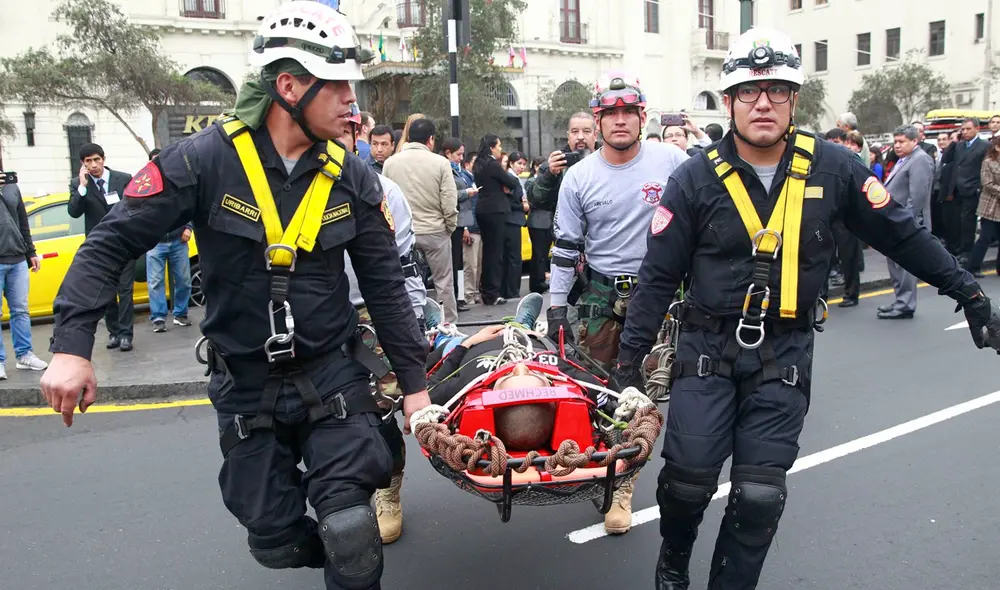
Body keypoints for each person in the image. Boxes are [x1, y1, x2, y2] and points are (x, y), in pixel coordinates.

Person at [39, 4, 432, 590]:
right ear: (289, 85)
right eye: (338, 85)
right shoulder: (201, 160)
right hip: (245, 384)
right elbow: (107, 245)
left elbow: (386, 286)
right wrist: (72, 347)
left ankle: (350, 552)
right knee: (273, 541)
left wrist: (416, 390)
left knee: (351, 527)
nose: (353, 101)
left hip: (333, 376)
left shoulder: (353, 178)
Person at [611, 27, 1000, 590]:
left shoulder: (835, 169)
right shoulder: (693, 177)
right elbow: (657, 277)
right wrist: (628, 365)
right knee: (688, 483)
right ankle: (673, 560)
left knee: (760, 497)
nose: (763, 102)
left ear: (795, 98)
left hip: (785, 352)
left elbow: (903, 235)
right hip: (705, 351)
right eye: (748, 91)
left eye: (776, 89)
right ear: (729, 101)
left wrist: (969, 292)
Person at [545, 70, 689, 536]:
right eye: (612, 114)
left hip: (659, 290)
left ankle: (623, 485)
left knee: (644, 393)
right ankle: (600, 464)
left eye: (630, 112)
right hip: (601, 293)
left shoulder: (674, 160)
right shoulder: (578, 177)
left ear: (643, 117)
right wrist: (555, 306)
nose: (621, 121)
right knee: (597, 391)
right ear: (598, 120)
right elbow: (565, 248)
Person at [337, 108, 427, 546]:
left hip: (373, 318)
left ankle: (388, 492)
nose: (339, 137)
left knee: (384, 413)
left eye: (348, 130)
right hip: (311, 323)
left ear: (359, 135)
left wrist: (412, 333)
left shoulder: (383, 191)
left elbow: (404, 272)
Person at [382, 117, 460, 322]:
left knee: (405, 282)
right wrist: (449, 228)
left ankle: (409, 323)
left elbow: (386, 200)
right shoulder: (441, 163)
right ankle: (448, 325)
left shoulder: (390, 163)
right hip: (435, 231)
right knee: (443, 282)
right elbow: (449, 201)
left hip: (403, 233)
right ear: (431, 139)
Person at [68, 143, 136, 351]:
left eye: (96, 159)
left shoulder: (123, 178)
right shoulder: (79, 184)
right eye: (88, 161)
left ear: (103, 159)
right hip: (99, 247)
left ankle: (126, 334)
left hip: (124, 242)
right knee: (106, 292)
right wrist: (82, 185)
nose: (93, 165)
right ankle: (114, 332)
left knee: (125, 290)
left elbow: (135, 205)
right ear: (83, 164)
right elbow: (74, 212)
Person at [529, 112, 599, 295]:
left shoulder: (609, 160)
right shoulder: (555, 164)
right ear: (568, 135)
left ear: (596, 134)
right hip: (568, 251)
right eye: (575, 131)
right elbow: (535, 199)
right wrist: (550, 175)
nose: (580, 137)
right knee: (568, 308)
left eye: (586, 131)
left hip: (602, 248)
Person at [879, 124, 935, 320]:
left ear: (915, 141)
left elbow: (917, 197)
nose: (897, 145)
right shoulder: (905, 159)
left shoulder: (920, 160)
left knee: (905, 266)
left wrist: (905, 223)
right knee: (895, 264)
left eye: (902, 142)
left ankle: (905, 304)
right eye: (895, 142)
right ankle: (900, 300)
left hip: (907, 223)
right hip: (894, 222)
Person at [0, 175, 47, 377]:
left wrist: (31, 252)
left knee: (20, 310)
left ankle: (25, 355)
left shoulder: (11, 185)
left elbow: (22, 221)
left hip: (18, 259)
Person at [144, 148, 194, 333]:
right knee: (155, 282)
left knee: (184, 280)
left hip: (178, 241)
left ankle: (180, 314)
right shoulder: (146, 186)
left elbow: (190, 205)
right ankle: (158, 317)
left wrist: (188, 227)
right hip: (155, 242)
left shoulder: (177, 182)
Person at [472, 134, 522, 306]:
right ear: (492, 147)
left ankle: (486, 290)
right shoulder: (492, 164)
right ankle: (492, 292)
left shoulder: (478, 163)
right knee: (495, 253)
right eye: (499, 146)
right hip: (496, 209)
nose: (501, 149)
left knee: (488, 252)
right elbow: (511, 181)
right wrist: (505, 186)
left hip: (482, 208)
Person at [441, 138, 477, 310]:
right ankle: (453, 299)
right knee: (453, 261)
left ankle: (457, 297)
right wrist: (465, 193)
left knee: (457, 260)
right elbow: (448, 193)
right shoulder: (445, 169)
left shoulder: (456, 170)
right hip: (451, 220)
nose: (461, 158)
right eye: (458, 154)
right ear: (448, 152)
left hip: (460, 219)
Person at [965, 135, 1000, 277]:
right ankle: (973, 267)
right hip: (990, 207)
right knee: (984, 238)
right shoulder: (988, 162)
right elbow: (987, 184)